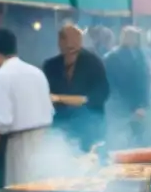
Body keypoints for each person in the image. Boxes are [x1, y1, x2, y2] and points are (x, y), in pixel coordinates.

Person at [0, 29, 54, 186]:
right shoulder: (37, 72)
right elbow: (50, 109)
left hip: (22, 144)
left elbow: (3, 121)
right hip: (47, 141)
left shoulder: (0, 76)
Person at [42, 24, 109, 152]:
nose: (71, 49)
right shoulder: (50, 66)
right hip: (61, 129)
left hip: (90, 129)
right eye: (67, 45)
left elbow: (102, 94)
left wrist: (61, 98)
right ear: (60, 43)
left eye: (75, 46)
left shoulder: (94, 63)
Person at [104, 26, 151, 143]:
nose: (134, 39)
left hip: (139, 109)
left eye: (135, 36)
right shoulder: (112, 57)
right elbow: (111, 86)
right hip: (120, 111)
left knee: (138, 142)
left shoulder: (141, 56)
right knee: (121, 142)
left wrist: (143, 105)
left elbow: (145, 81)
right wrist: (128, 108)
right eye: (130, 36)